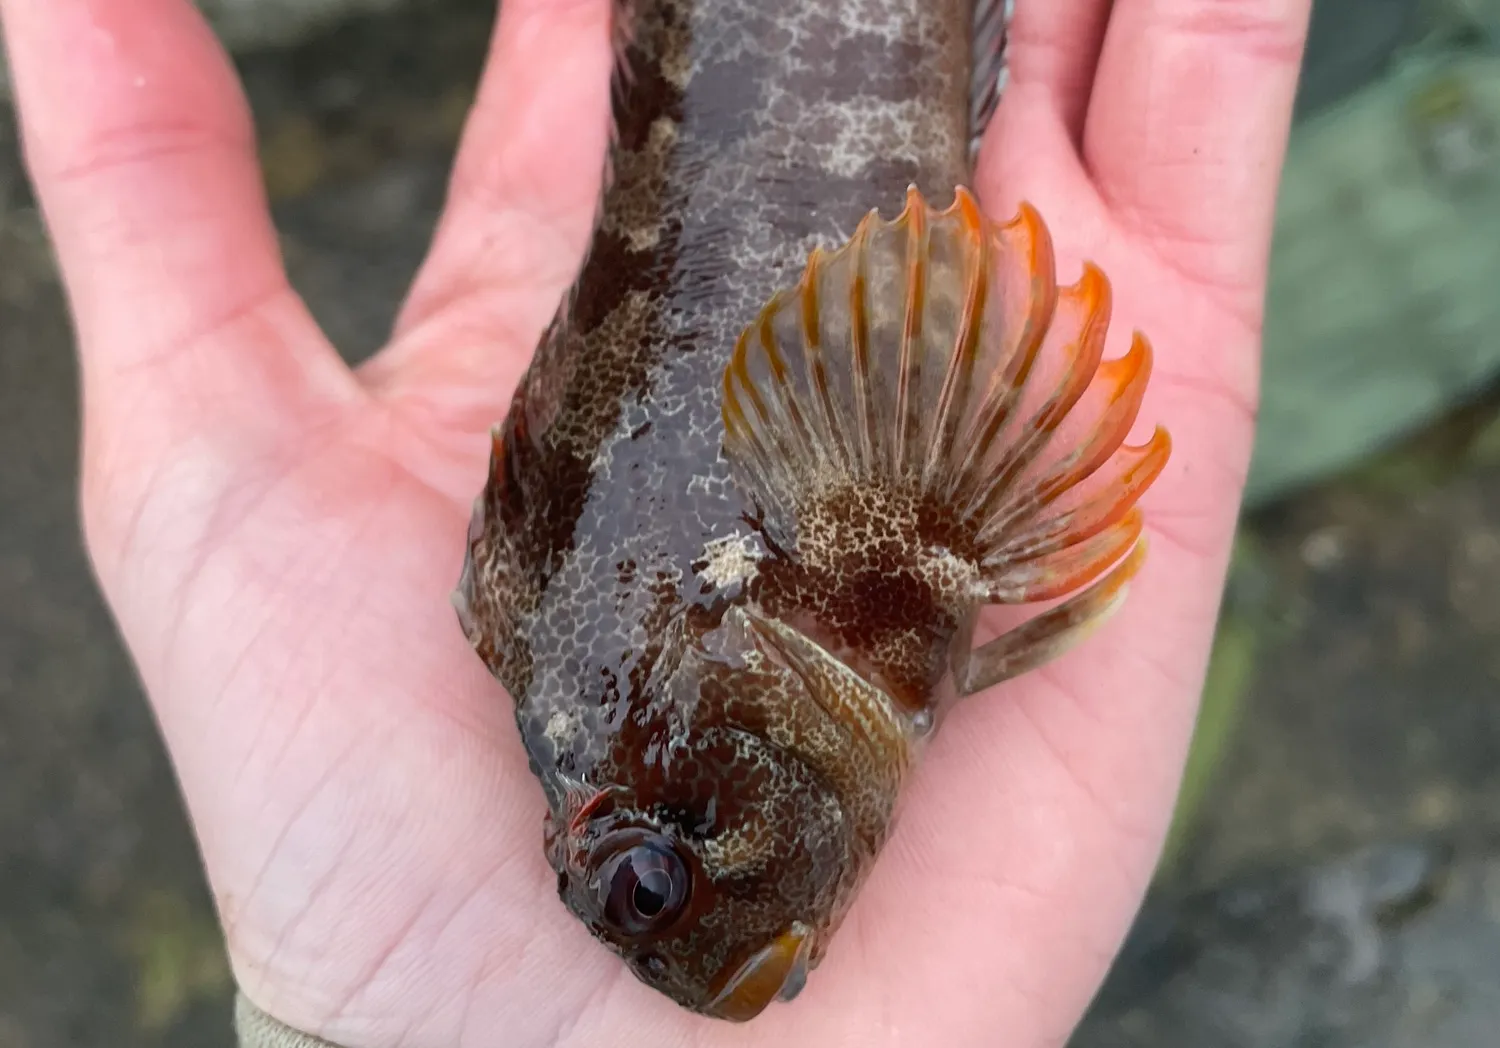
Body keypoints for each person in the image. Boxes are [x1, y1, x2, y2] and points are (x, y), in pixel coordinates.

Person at [0, 0, 1310, 1044]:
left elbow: (998, 410)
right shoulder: (805, 624)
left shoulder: (832, 608)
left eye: (651, 886)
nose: (680, 938)